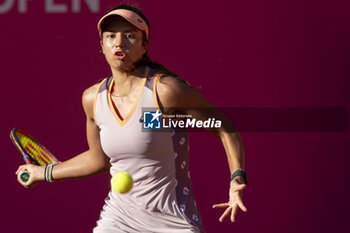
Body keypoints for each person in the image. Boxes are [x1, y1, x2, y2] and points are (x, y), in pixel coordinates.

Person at [16, 4, 247, 233]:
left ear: (145, 44)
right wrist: (45, 172)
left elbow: (225, 128)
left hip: (173, 223)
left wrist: (236, 178)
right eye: (111, 36)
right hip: (118, 220)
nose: (119, 42)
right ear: (102, 45)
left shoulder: (165, 92)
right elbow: (99, 160)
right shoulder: (92, 99)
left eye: (130, 36)